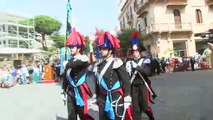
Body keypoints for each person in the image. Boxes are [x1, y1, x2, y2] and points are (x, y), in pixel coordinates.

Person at [93, 31, 132, 120]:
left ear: (110, 50)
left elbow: (125, 80)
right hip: (102, 98)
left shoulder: (116, 62)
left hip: (116, 97)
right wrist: (96, 95)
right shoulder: (99, 64)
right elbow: (98, 81)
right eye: (101, 49)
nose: (101, 51)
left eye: (104, 49)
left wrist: (127, 95)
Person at [62, 28, 93, 120]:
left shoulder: (83, 58)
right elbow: (66, 77)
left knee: (83, 115)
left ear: (79, 48)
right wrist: (63, 90)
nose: (71, 49)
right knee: (71, 115)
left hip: (80, 90)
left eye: (73, 47)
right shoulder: (69, 61)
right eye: (70, 47)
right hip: (70, 91)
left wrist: (67, 64)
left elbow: (76, 64)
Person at [125, 32, 155, 120]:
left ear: (140, 52)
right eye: (133, 52)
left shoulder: (145, 61)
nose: (135, 53)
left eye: (137, 52)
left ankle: (151, 116)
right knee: (135, 108)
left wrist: (138, 68)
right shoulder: (129, 63)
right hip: (133, 86)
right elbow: (127, 76)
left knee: (145, 107)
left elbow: (148, 72)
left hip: (143, 85)